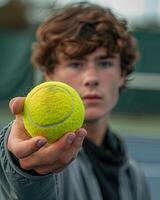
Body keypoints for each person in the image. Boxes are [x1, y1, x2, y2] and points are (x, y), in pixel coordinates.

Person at [0, 2, 150, 200]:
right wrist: (22, 167)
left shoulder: (134, 176)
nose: (91, 77)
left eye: (104, 63)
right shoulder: (49, 164)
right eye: (76, 64)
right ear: (49, 75)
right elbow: (24, 187)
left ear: (122, 74)